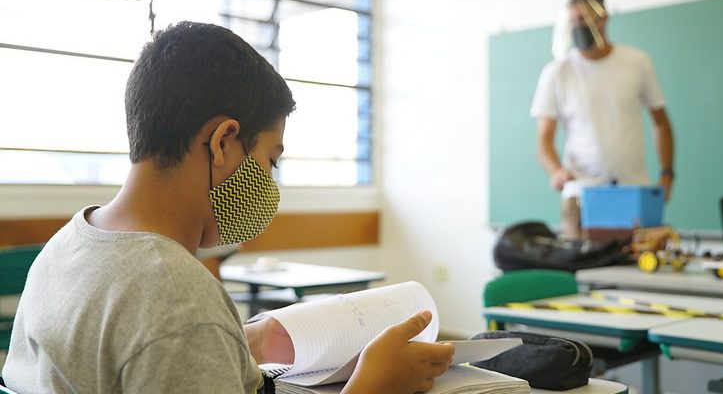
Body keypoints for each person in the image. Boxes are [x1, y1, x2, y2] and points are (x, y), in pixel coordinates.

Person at [1, 22, 453, 393]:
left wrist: (239, 344)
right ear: (223, 143)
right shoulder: (175, 296)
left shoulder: (68, 244)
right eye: (270, 160)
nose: (271, 184)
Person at [532, 0, 675, 240]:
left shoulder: (636, 62)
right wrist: (556, 171)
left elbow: (661, 122)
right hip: (581, 196)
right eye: (574, 20)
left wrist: (667, 174)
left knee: (635, 272)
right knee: (583, 270)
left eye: (585, 18)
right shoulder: (557, 72)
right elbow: (544, 140)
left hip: (632, 193)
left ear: (603, 17)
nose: (579, 25)